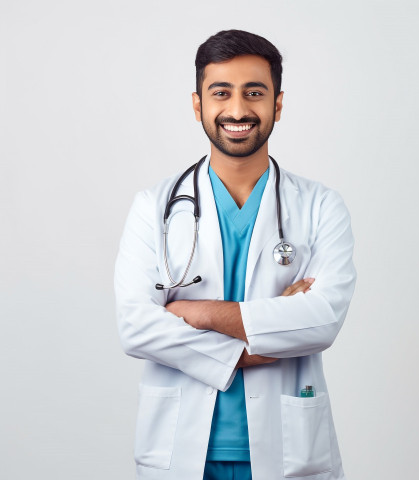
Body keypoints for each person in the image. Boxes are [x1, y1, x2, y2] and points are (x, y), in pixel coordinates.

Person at [114, 29, 356, 480]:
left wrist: (197, 312)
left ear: (277, 105)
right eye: (221, 92)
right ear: (198, 104)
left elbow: (322, 319)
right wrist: (260, 340)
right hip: (181, 450)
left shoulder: (321, 206)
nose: (238, 109)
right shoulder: (153, 206)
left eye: (255, 93)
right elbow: (136, 327)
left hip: (288, 451)